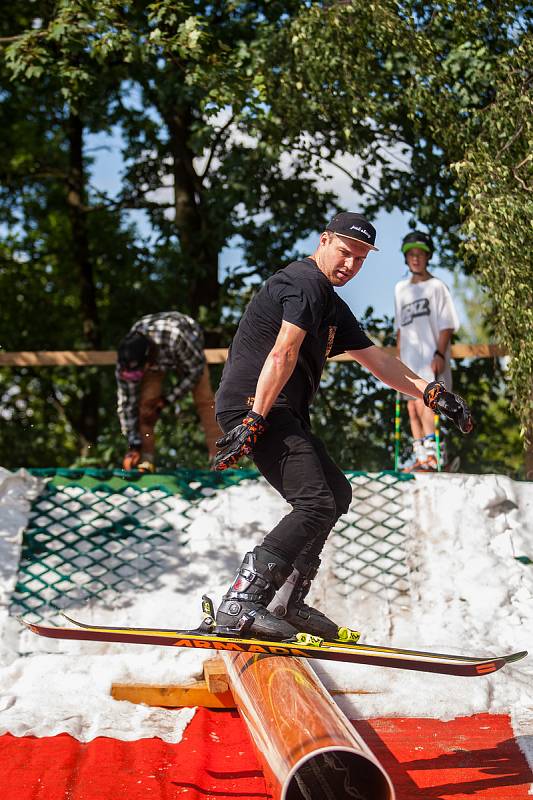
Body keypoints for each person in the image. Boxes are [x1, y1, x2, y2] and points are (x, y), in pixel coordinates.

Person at [212, 212, 473, 642]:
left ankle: (286, 602)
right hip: (256, 406)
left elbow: (379, 362)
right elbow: (283, 352)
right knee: (314, 501)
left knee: (335, 493)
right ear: (324, 240)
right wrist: (255, 418)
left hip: (277, 411)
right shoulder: (304, 283)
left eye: (361, 259)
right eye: (345, 252)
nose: (350, 264)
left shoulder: (332, 304)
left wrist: (431, 392)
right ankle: (240, 603)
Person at [116, 312, 220, 472]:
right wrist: (133, 444)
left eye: (137, 374)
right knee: (145, 407)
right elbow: (127, 404)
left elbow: (195, 372)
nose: (133, 379)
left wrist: (166, 400)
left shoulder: (176, 338)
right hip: (156, 356)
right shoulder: (127, 361)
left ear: (148, 361)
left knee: (205, 401)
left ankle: (221, 458)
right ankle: (145, 461)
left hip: (188, 351)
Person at [394, 231, 460, 471]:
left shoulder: (437, 287)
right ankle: (420, 457)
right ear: (406, 258)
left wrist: (441, 354)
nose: (415, 258)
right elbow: (400, 327)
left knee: (426, 404)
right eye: (411, 254)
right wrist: (398, 359)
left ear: (427, 256)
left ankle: (433, 457)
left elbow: (447, 325)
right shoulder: (401, 289)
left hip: (431, 358)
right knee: (412, 407)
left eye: (420, 254)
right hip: (409, 360)